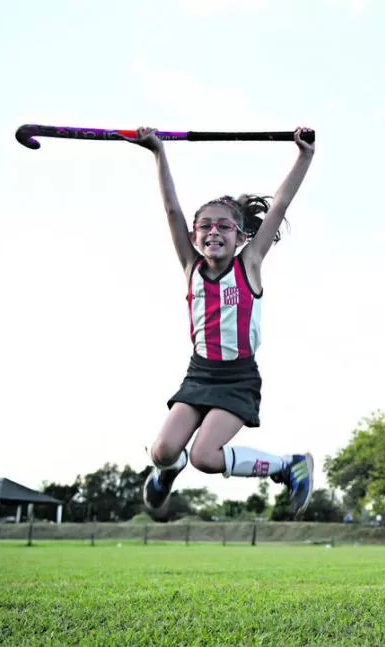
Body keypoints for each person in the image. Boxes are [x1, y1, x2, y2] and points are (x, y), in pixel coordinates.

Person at [123, 126, 316, 516]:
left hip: (237, 379)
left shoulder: (249, 264)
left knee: (206, 457)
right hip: (199, 374)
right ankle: (167, 468)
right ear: (194, 236)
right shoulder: (190, 266)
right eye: (205, 225)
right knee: (162, 451)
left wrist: (304, 156)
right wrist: (158, 153)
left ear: (242, 235)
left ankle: (288, 465)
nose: (214, 230)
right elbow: (173, 210)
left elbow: (279, 205)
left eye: (224, 225)